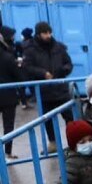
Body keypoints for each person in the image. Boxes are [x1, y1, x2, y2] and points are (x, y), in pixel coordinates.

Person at [21, 21, 73, 154]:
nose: (48, 35)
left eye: (50, 32)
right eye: (45, 33)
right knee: (47, 119)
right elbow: (27, 67)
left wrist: (63, 70)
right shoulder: (30, 50)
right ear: (38, 34)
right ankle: (53, 143)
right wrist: (43, 73)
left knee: (70, 117)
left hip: (61, 89)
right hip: (44, 91)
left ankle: (74, 141)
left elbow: (68, 64)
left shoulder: (59, 47)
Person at [0, 26, 21, 159]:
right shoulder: (8, 57)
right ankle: (8, 152)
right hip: (8, 96)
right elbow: (18, 76)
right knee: (8, 126)